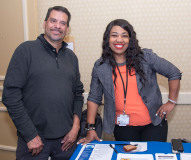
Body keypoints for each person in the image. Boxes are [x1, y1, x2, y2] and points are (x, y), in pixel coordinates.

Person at [78, 19, 181, 144]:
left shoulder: (146, 58)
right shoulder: (100, 66)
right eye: (114, 35)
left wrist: (171, 102)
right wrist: (91, 128)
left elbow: (174, 73)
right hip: (123, 128)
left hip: (154, 125)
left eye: (124, 36)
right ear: (107, 39)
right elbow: (94, 98)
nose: (119, 40)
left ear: (130, 40)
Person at [2, 6, 84, 160]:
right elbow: (10, 96)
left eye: (62, 23)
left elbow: (78, 94)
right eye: (53, 21)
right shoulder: (25, 50)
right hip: (34, 141)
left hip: (66, 140)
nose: (57, 26)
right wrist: (30, 135)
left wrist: (76, 127)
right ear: (45, 23)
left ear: (67, 28)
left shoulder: (72, 58)